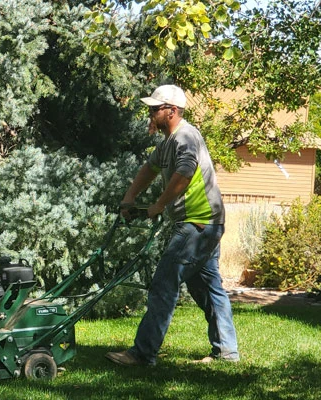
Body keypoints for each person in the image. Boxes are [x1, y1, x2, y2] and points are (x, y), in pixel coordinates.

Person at [106, 84, 239, 366]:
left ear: (172, 111)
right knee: (207, 288)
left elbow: (185, 174)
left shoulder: (186, 137)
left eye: (156, 109)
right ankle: (227, 352)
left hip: (198, 224)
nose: (151, 113)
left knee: (164, 284)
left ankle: (143, 354)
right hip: (204, 225)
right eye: (151, 109)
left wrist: (159, 205)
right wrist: (130, 197)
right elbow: (149, 169)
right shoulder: (167, 142)